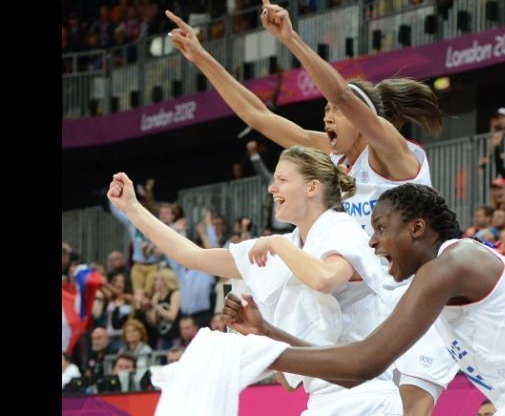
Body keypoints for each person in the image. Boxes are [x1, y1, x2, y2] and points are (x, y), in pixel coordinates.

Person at [166, 0, 455, 415]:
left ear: (364, 117)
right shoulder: (333, 157)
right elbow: (258, 116)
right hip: (368, 300)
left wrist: (289, 37)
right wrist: (203, 59)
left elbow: (340, 92)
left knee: (411, 409)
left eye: (334, 111)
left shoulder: (395, 154)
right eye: (324, 113)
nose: (327, 115)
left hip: (419, 294)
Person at [106, 146, 402, 415]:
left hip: (366, 398)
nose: (272, 188)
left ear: (312, 187)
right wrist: (132, 208)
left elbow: (324, 278)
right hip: (324, 400)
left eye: (282, 180)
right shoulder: (285, 246)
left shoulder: (342, 230)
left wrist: (276, 244)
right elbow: (192, 255)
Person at [224, 184, 505, 414]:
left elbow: (363, 363)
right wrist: (267, 333)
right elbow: (352, 368)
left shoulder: (452, 264)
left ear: (417, 228)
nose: (371, 241)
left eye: (380, 227)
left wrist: (260, 354)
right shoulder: (440, 277)